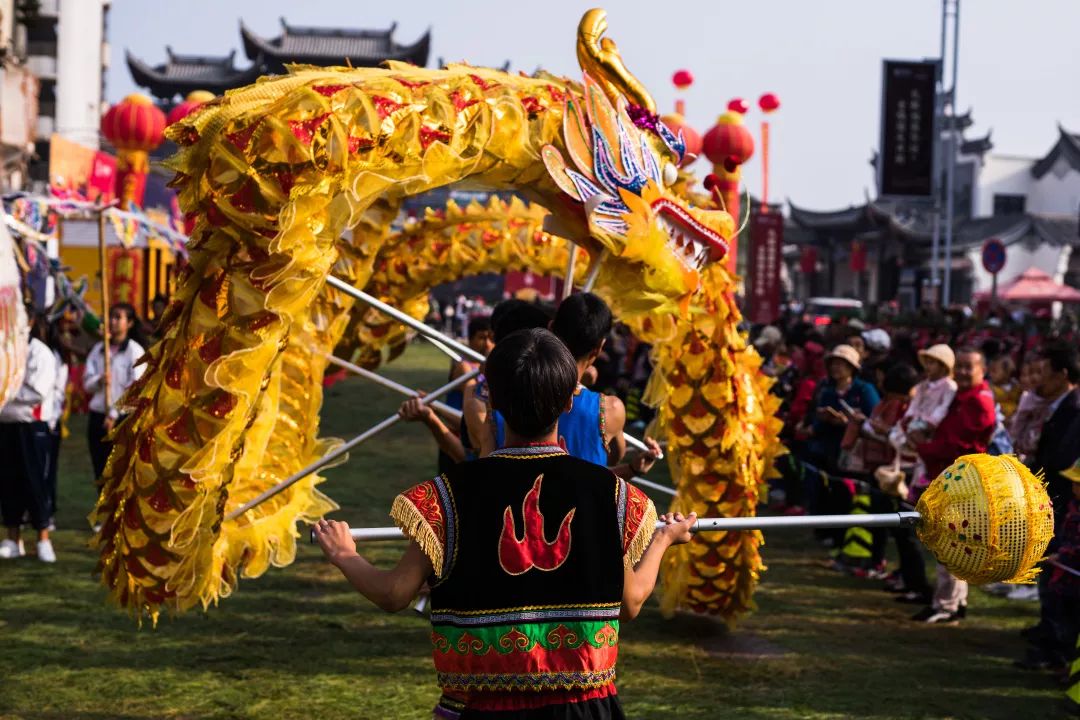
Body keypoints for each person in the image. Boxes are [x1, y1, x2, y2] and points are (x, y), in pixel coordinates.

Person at [313, 328, 695, 719]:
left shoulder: (449, 496)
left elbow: (394, 593)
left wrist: (345, 554)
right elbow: (629, 604)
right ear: (568, 402)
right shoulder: (609, 493)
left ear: (492, 399)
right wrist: (663, 539)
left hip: (484, 709)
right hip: (583, 708)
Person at [912, 348, 996, 623]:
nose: (961, 372)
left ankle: (948, 605)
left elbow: (962, 446)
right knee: (949, 544)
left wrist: (922, 447)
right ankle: (950, 601)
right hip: (948, 476)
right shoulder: (961, 396)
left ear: (982, 370)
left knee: (951, 544)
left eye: (968, 367)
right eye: (958, 366)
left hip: (961, 481)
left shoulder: (979, 402)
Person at [0, 319, 59, 562]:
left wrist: (8, 393)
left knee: (35, 481)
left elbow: (37, 391)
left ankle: (43, 538)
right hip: (5, 423)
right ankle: (13, 538)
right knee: (7, 482)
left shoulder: (39, 352)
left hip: (31, 426)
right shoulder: (4, 349)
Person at [84, 303, 146, 490]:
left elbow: (135, 390)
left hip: (122, 419)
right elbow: (86, 383)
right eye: (111, 316)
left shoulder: (135, 352)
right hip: (98, 416)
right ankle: (102, 514)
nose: (113, 321)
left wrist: (113, 414)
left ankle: (119, 516)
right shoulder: (99, 350)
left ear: (130, 323)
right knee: (100, 466)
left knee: (120, 469)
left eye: (119, 317)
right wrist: (99, 381)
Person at [802, 344, 880, 474]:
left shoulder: (864, 389)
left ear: (851, 368)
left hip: (854, 449)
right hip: (826, 446)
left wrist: (850, 422)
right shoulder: (827, 391)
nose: (834, 368)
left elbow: (874, 419)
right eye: (833, 364)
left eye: (839, 364)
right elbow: (817, 421)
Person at [891, 344, 956, 456]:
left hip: (932, 426)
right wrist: (909, 416)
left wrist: (930, 423)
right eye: (927, 363)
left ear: (943, 367)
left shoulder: (949, 387)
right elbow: (915, 404)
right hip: (916, 421)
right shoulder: (922, 386)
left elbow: (943, 407)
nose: (927, 366)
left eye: (931, 363)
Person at [988, 355, 1021, 419]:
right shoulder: (990, 389)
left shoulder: (1017, 386)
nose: (990, 374)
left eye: (994, 371)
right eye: (990, 371)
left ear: (1007, 372)